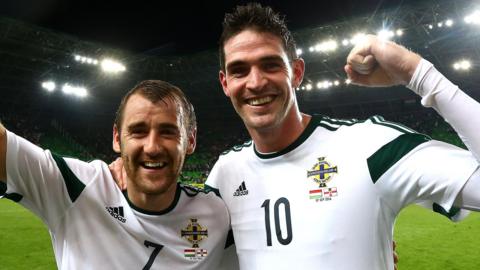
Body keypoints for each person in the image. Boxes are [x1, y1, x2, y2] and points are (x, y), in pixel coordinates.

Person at [203, 3, 480, 269]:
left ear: (296, 73)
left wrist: (418, 74)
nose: (256, 82)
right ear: (225, 84)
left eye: (271, 65)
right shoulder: (224, 174)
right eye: (239, 70)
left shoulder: (370, 147)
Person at [0, 80, 237, 269]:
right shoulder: (73, 187)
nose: (152, 147)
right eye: (138, 131)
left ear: (191, 141)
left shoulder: (216, 214)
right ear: (116, 138)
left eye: (168, 132)